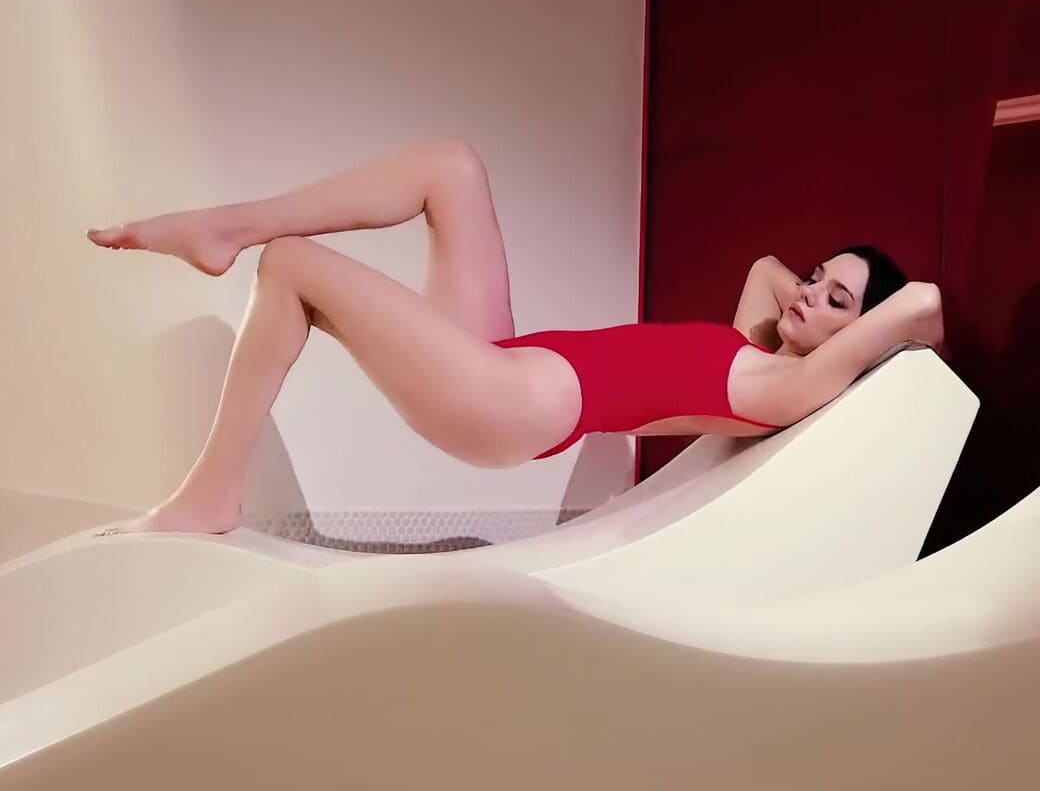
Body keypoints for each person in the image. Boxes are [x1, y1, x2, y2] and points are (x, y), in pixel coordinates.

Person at [85, 139, 944, 536]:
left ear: (857, 334)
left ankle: (210, 493)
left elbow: (924, 302)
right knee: (451, 167)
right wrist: (817, 302)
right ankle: (225, 226)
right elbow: (765, 267)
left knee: (292, 265)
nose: (807, 292)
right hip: (505, 361)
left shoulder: (782, 387)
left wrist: (864, 329)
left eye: (836, 299)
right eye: (817, 275)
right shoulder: (755, 340)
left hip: (508, 404)